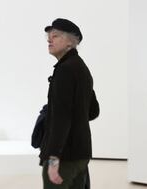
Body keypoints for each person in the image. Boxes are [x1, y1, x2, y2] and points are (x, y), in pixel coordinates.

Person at [39, 18, 99, 189]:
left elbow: (61, 118)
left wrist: (53, 158)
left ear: (70, 43)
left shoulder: (64, 70)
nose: (50, 40)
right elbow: (94, 111)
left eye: (55, 36)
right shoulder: (82, 68)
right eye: (48, 37)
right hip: (81, 154)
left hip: (64, 157)